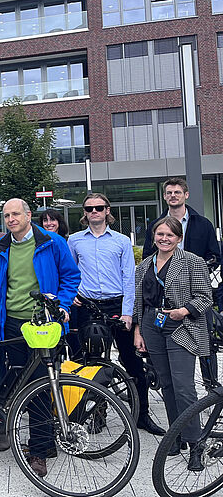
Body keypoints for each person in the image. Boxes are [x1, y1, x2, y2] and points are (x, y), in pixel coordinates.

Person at [0, 198, 80, 477]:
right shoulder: (3, 245)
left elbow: (71, 276)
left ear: (28, 215)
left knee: (40, 384)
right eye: (6, 215)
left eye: (15, 214)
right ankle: (39, 440)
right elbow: (1, 283)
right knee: (22, 381)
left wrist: (63, 304)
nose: (10, 219)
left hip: (42, 323)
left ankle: (39, 449)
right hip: (11, 321)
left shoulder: (51, 241)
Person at [67, 193, 165, 436]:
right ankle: (96, 414)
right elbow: (69, 271)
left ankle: (141, 414)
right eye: (89, 208)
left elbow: (128, 278)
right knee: (91, 362)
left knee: (131, 360)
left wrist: (128, 313)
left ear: (107, 210)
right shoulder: (75, 240)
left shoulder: (121, 241)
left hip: (117, 305)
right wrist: (71, 295)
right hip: (88, 307)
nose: (94, 212)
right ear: (85, 212)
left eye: (99, 207)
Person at [135, 217, 213, 471]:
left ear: (178, 238)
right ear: (153, 237)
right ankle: (176, 437)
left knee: (183, 387)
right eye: (160, 234)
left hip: (181, 326)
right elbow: (140, 301)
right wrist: (138, 329)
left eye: (170, 235)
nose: (164, 239)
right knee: (166, 384)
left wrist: (184, 310)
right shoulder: (145, 264)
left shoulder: (192, 261)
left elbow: (204, 298)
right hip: (152, 324)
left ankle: (195, 443)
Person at [142, 177, 221, 384]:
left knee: (206, 343)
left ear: (186, 195)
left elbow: (215, 255)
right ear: (164, 196)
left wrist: (195, 269)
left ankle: (211, 387)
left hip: (195, 293)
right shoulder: (156, 225)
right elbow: (147, 260)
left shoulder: (202, 224)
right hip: (166, 298)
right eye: (169, 193)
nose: (173, 196)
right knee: (170, 365)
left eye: (177, 192)